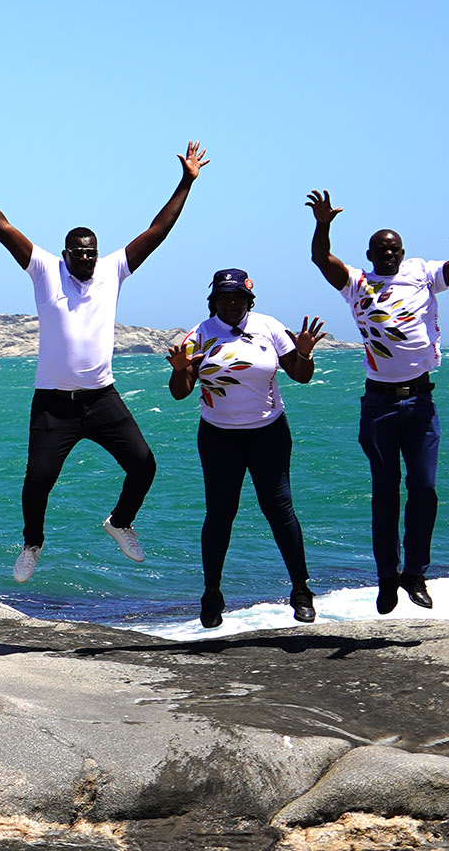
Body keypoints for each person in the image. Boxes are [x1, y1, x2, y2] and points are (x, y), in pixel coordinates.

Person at [0, 140, 209, 582]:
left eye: (91, 251)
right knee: (37, 481)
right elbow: (5, 228)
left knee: (144, 465)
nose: (85, 257)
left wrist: (186, 180)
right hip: (53, 404)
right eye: (78, 252)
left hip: (101, 398)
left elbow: (157, 230)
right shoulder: (45, 268)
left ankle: (120, 523)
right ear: (66, 254)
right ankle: (32, 544)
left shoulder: (113, 270)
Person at [308, 190, 449, 613]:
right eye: (380, 250)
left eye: (393, 249)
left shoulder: (423, 273)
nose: (387, 254)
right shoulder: (356, 284)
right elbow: (321, 260)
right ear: (370, 254)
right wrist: (323, 224)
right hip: (379, 405)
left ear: (401, 252)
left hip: (421, 401)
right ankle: (387, 578)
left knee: (424, 489)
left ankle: (416, 575)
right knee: (384, 494)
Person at [165, 269, 326, 628]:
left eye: (238, 296)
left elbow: (300, 374)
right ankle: (211, 594)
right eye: (224, 297)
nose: (232, 302)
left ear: (249, 299)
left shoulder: (269, 327)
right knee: (220, 514)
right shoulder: (200, 336)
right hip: (219, 436)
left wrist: (304, 353)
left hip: (268, 432)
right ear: (214, 302)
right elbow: (180, 392)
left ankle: (301, 591)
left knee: (279, 508)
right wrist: (180, 370)